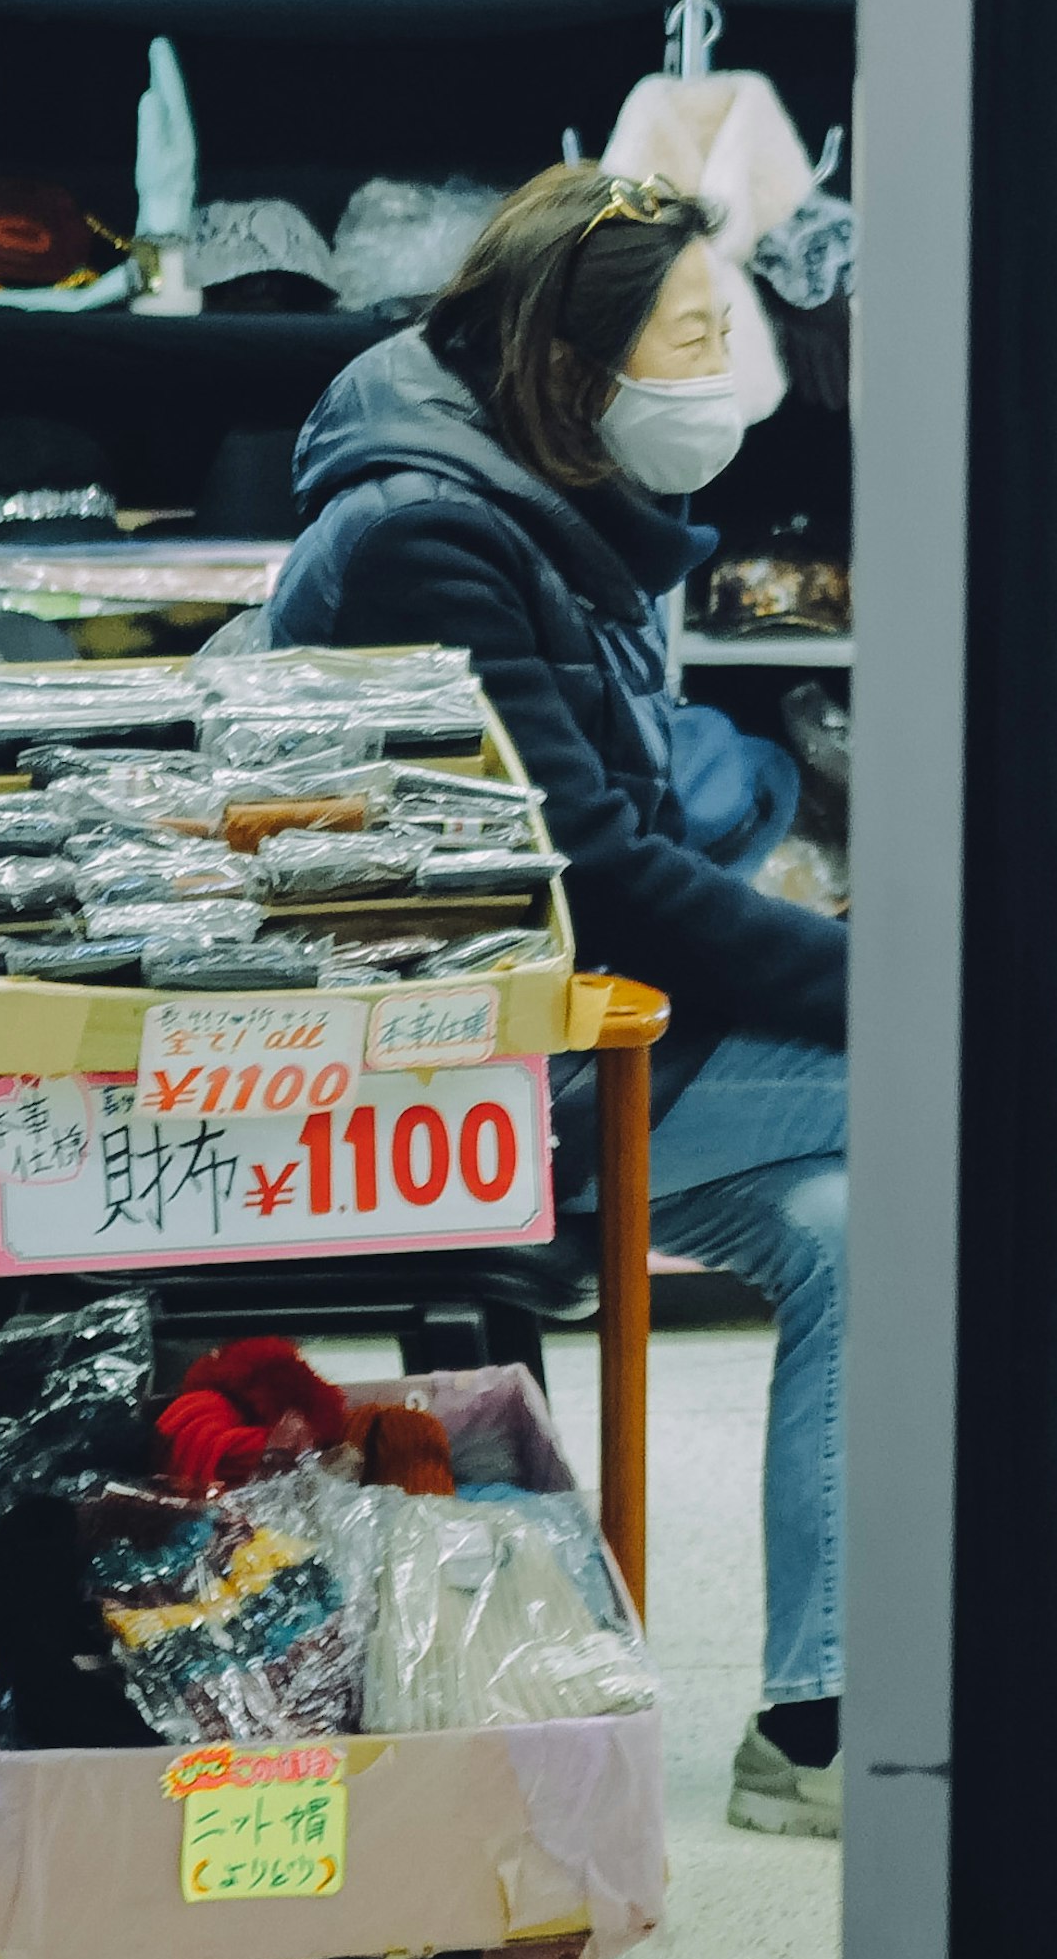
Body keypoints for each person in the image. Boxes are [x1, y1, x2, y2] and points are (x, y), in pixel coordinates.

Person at [264, 165, 850, 1839]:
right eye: (688, 337)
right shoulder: (433, 537)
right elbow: (593, 876)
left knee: (859, 1221)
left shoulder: (517, 498)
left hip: (556, 1034)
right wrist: (896, 985)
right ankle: (994, 1653)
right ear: (568, 365)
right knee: (986, 1090)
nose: (721, 378)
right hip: (470, 1075)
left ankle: (822, 1722)